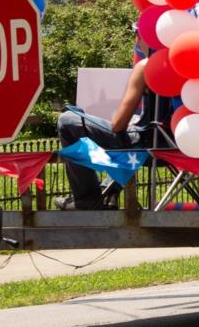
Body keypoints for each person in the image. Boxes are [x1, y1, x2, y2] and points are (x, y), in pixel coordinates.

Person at [56, 35, 172, 210]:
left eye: (138, 35)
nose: (136, 41)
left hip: (147, 146)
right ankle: (109, 190)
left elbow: (118, 125)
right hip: (182, 150)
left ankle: (87, 200)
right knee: (128, 135)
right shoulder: (194, 63)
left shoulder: (146, 66)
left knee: (67, 121)